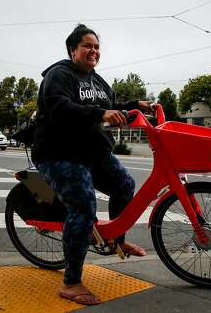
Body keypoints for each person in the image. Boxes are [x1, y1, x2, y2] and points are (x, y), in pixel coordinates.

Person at [31, 24, 152, 306]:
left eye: (96, 47)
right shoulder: (58, 75)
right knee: (84, 206)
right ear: (73, 50)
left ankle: (116, 241)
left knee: (125, 184)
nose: (93, 51)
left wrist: (135, 104)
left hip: (91, 152)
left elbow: (110, 104)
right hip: (59, 153)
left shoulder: (97, 80)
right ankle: (71, 282)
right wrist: (102, 113)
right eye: (87, 45)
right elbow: (61, 109)